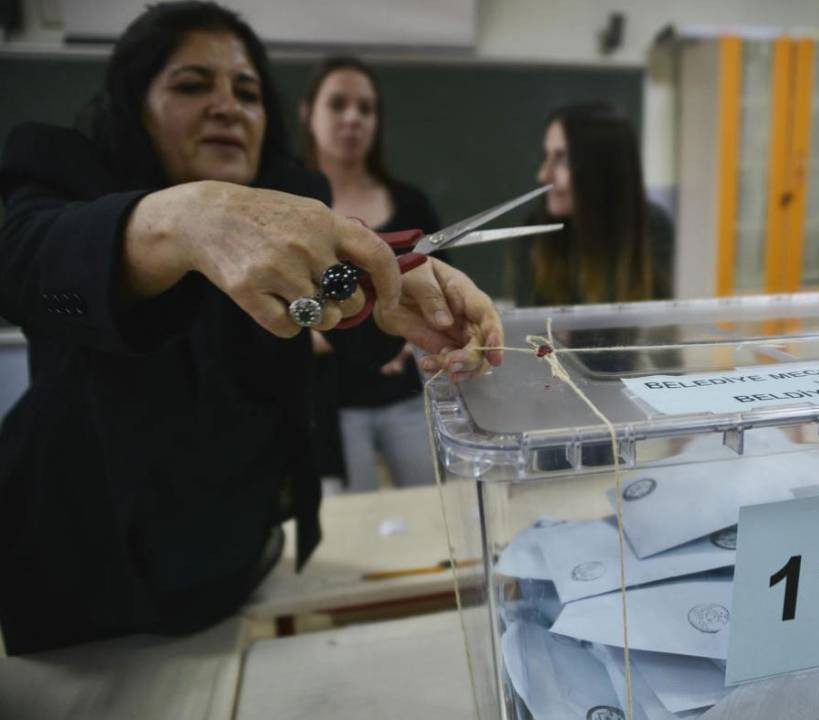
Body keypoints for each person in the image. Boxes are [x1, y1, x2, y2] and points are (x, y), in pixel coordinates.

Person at [0, 1, 501, 655]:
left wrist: (388, 300)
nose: (227, 106)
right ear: (133, 101)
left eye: (248, 91)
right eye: (190, 84)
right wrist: (182, 220)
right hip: (87, 577)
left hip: (241, 560)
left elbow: (332, 334)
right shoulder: (64, 171)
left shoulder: (295, 200)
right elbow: (29, 276)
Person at [300, 57, 440, 493]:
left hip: (405, 395)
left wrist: (416, 334)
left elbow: (443, 284)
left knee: (430, 509)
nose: (352, 119)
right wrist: (315, 331)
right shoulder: (287, 210)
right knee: (347, 521)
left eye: (366, 108)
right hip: (328, 406)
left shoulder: (411, 203)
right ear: (309, 114)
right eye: (337, 104)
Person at [512, 102, 674, 307]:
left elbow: (653, 323)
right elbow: (531, 328)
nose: (543, 175)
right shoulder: (534, 231)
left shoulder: (652, 227)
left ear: (602, 168)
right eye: (546, 157)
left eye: (562, 159)